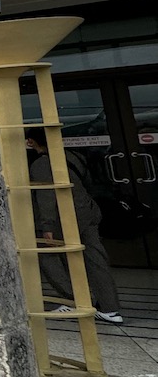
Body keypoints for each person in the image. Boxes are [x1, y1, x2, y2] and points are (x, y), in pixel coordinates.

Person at [26, 128, 124, 324]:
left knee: (47, 255)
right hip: (86, 211)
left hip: (65, 217)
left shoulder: (42, 164)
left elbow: (46, 197)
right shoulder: (74, 157)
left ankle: (73, 299)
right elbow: (87, 183)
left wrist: (47, 226)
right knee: (95, 258)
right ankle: (110, 308)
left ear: (31, 142)